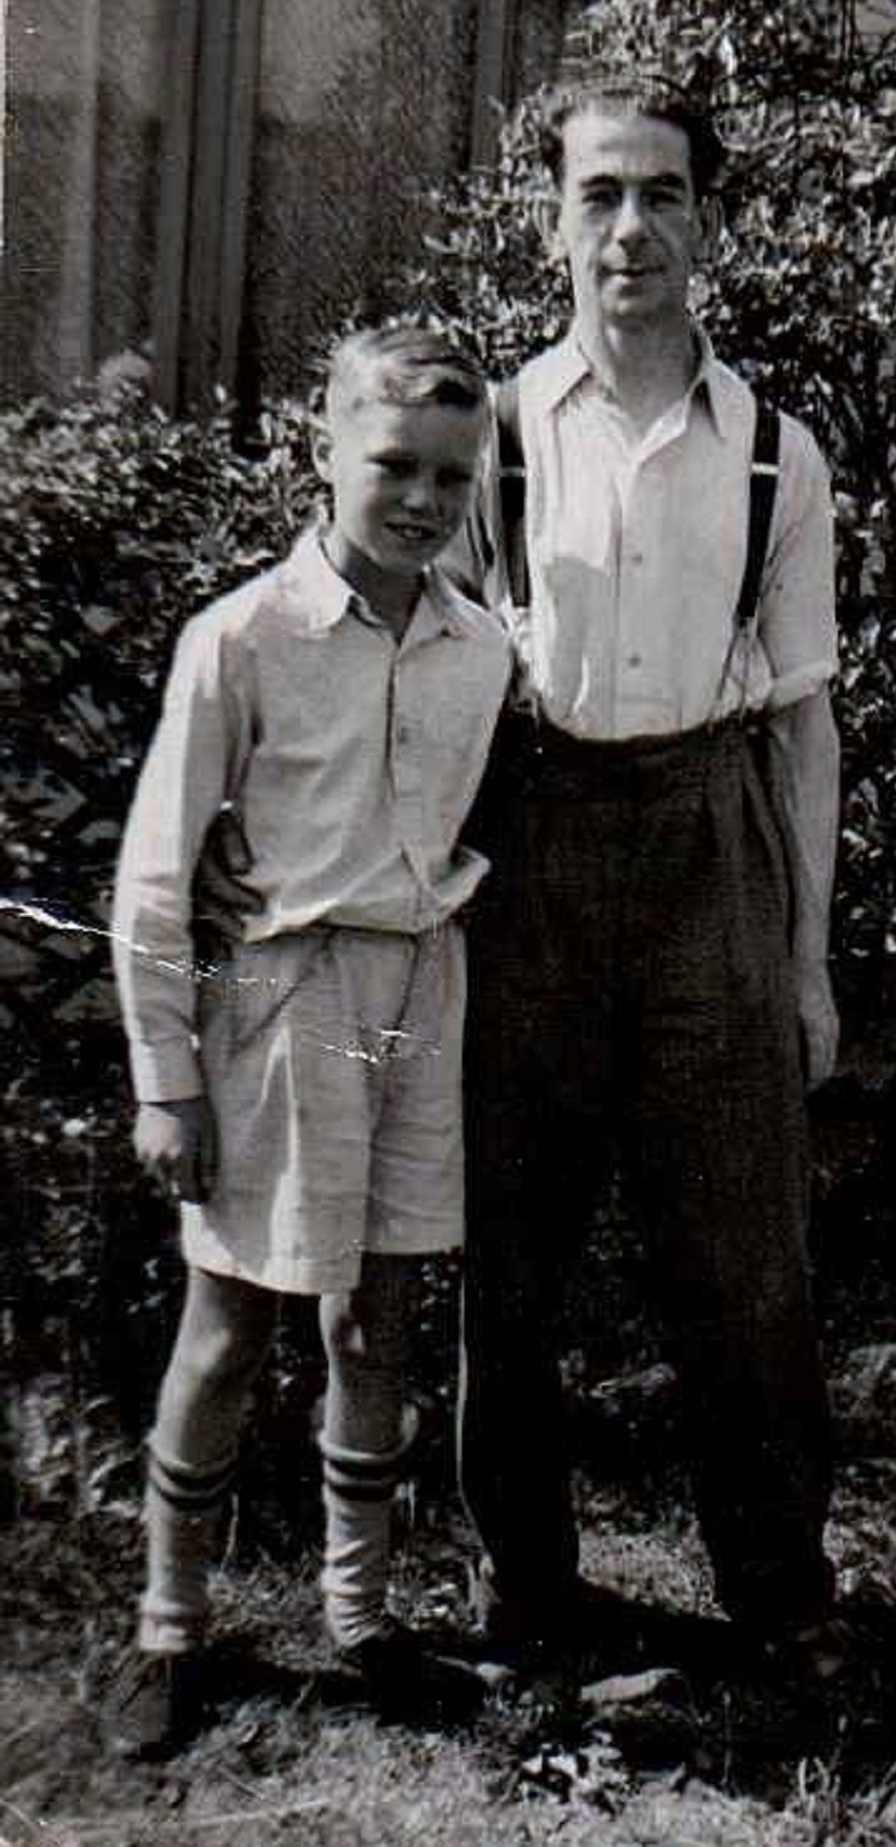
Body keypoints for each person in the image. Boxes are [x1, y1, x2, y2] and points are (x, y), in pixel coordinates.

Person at [447, 72, 844, 1684]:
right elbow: (433, 682)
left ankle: (779, 1597)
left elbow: (808, 723)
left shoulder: (773, 456)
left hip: (711, 840)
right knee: (511, 1249)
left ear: (710, 222)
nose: (633, 228)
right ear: (555, 225)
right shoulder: (493, 436)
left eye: (664, 194)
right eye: (600, 194)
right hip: (533, 842)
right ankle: (525, 1592)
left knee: (745, 1257)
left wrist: (806, 959)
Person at [107, 326, 510, 1759]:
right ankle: (171, 1629)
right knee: (227, 1322)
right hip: (282, 1009)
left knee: (379, 1319)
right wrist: (166, 1077)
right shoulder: (241, 637)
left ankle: (360, 1619)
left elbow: (480, 820)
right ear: (325, 451)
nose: (417, 497)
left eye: (449, 476)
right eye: (391, 463)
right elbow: (159, 872)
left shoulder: (482, 647)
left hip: (419, 998)